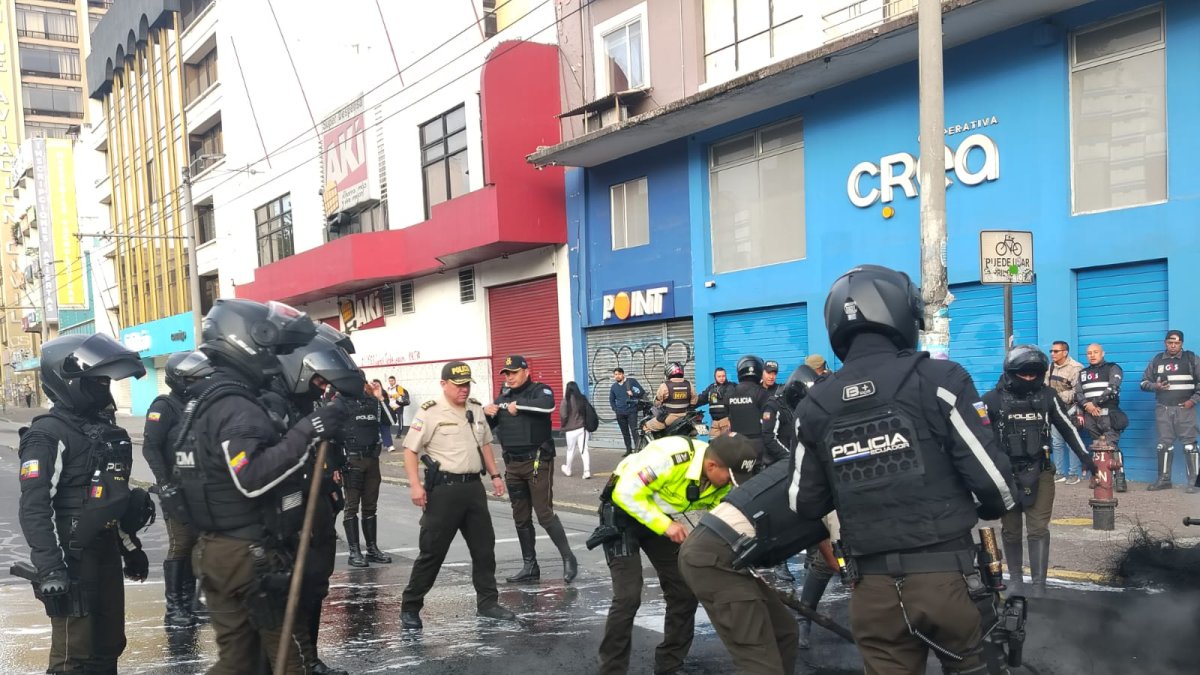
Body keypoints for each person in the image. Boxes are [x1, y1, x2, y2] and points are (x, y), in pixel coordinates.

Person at [791, 264, 1017, 674]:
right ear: (901, 315)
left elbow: (803, 503)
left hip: (871, 591)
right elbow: (997, 486)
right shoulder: (938, 379)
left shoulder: (814, 406)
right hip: (946, 579)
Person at [175, 298, 349, 674]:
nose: (276, 359)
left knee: (239, 664)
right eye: (273, 349)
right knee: (291, 660)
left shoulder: (204, 401)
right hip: (247, 555)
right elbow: (251, 478)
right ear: (248, 343)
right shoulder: (237, 407)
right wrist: (310, 429)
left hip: (217, 551)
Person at [18, 333, 152, 674]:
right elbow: (35, 508)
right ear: (69, 382)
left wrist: (130, 547)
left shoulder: (104, 432)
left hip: (104, 552)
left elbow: (109, 501)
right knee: (72, 657)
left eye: (105, 382)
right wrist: (50, 568)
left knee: (108, 647)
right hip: (69, 561)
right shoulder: (47, 434)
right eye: (96, 382)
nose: (103, 390)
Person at [595, 432, 759, 675]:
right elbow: (625, 493)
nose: (732, 484)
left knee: (684, 591)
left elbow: (723, 516)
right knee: (628, 596)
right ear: (711, 465)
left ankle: (669, 665)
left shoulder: (720, 478)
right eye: (730, 478)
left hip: (659, 516)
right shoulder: (671, 456)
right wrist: (666, 526)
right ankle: (611, 670)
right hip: (622, 514)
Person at [677, 446, 831, 674]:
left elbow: (826, 541)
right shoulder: (831, 483)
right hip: (713, 557)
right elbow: (834, 557)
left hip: (727, 552)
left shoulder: (810, 468)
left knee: (784, 632)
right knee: (759, 659)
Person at [269, 325, 362, 675]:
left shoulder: (306, 404)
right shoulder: (270, 405)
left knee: (313, 590)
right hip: (288, 518)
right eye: (319, 380)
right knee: (288, 595)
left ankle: (309, 660)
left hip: (317, 507)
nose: (323, 387)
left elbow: (320, 454)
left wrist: (330, 487)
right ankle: (295, 662)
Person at [400, 361, 516, 628]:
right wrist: (415, 485)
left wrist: (495, 476)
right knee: (432, 552)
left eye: (466, 384)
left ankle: (488, 603)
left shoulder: (475, 408)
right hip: (443, 492)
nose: (464, 390)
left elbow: (485, 444)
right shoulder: (429, 412)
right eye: (458, 385)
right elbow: (410, 450)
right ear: (444, 385)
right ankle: (410, 606)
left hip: (473, 489)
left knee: (484, 549)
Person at [982, 345, 1096, 597]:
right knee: (1011, 530)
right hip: (1006, 474)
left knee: (1038, 530)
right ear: (1012, 372)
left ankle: (1039, 586)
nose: (1029, 378)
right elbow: (979, 440)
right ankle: (1015, 581)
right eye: (1024, 374)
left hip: (1041, 471)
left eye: (1035, 374)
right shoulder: (990, 400)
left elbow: (1067, 428)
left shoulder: (1048, 397)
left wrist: (1086, 458)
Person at [486, 355, 577, 583]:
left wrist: (519, 406)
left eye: (513, 372)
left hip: (537, 461)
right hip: (512, 464)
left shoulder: (540, 390)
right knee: (520, 517)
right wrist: (488, 415)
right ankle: (530, 566)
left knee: (544, 513)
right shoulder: (503, 396)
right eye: (506, 373)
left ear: (526, 372)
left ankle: (568, 558)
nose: (509, 377)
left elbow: (549, 406)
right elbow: (491, 429)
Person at [143, 351, 213, 628]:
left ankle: (190, 601)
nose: (198, 381)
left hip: (199, 487)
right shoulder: (164, 405)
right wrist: (165, 484)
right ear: (178, 378)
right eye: (193, 377)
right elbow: (150, 447)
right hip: (176, 489)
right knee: (181, 543)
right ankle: (174, 607)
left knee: (197, 544)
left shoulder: (198, 403)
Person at [340, 381, 393, 567]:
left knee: (370, 506)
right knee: (352, 506)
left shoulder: (373, 403)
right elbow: (332, 436)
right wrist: (334, 466)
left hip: (372, 459)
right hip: (352, 460)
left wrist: (380, 399)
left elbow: (389, 422)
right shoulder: (341, 403)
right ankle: (354, 551)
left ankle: (372, 549)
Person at [1141, 330, 1200, 493]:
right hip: (1164, 409)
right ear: (1165, 343)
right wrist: (1156, 386)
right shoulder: (1157, 360)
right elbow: (1143, 383)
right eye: (1170, 342)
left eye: (1177, 343)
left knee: (1190, 445)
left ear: (1181, 343)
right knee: (1163, 445)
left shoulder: (1191, 359)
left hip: (1185, 409)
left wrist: (1192, 401)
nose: (1173, 346)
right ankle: (1164, 480)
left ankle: (1193, 482)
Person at [1077, 343, 1128, 492]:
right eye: (1089, 353)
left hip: (1108, 414)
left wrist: (1092, 404)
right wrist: (1087, 406)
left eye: (1095, 352)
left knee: (1111, 446)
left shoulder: (1113, 368)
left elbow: (1112, 388)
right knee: (1097, 447)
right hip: (1090, 417)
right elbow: (1078, 393)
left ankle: (1120, 478)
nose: (1092, 355)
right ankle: (1098, 477)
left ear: (1102, 353)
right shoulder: (1082, 373)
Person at [1046, 341, 1085, 485]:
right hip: (1055, 410)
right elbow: (1045, 386)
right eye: (1051, 351)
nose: (1052, 354)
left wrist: (1057, 396)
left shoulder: (1076, 368)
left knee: (1072, 442)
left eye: (1056, 351)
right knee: (1056, 443)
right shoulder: (1049, 368)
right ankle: (1059, 473)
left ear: (1065, 352)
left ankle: (1074, 474)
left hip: (1071, 409)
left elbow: (1078, 392)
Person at [643, 361, 697, 434]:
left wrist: (657, 403)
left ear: (669, 372)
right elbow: (694, 399)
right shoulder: (689, 384)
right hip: (685, 417)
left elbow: (657, 402)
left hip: (670, 418)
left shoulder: (665, 385)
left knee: (645, 426)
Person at [726, 355, 770, 444]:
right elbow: (769, 420)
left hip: (736, 443)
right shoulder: (762, 392)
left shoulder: (730, 393)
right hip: (757, 443)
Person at [560, 381, 595, 479]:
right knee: (584, 450)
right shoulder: (582, 399)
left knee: (570, 450)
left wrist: (564, 425)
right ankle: (587, 471)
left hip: (570, 430)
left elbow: (563, 415)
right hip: (582, 429)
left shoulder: (565, 401)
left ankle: (568, 469)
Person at [609, 368, 644, 456]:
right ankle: (628, 450)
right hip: (620, 413)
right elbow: (611, 399)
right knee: (625, 433)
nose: (617, 376)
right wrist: (615, 409)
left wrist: (633, 393)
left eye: (619, 374)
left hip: (631, 411)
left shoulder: (631, 382)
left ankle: (638, 450)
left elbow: (641, 392)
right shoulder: (614, 387)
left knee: (634, 431)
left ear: (623, 374)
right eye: (615, 374)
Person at [700, 367, 735, 437]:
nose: (722, 378)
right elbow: (702, 398)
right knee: (713, 444)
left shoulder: (731, 387)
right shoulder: (711, 388)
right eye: (719, 376)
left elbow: (733, 405)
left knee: (726, 445)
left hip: (726, 422)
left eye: (723, 376)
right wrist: (690, 405)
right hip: (715, 423)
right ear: (715, 377)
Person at [370, 379, 397, 453]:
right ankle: (376, 445)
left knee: (385, 430)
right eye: (374, 384)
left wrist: (380, 397)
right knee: (374, 431)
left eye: (377, 384)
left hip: (384, 415)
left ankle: (389, 445)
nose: (375, 386)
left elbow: (386, 403)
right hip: (374, 415)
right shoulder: (369, 394)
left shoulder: (383, 393)